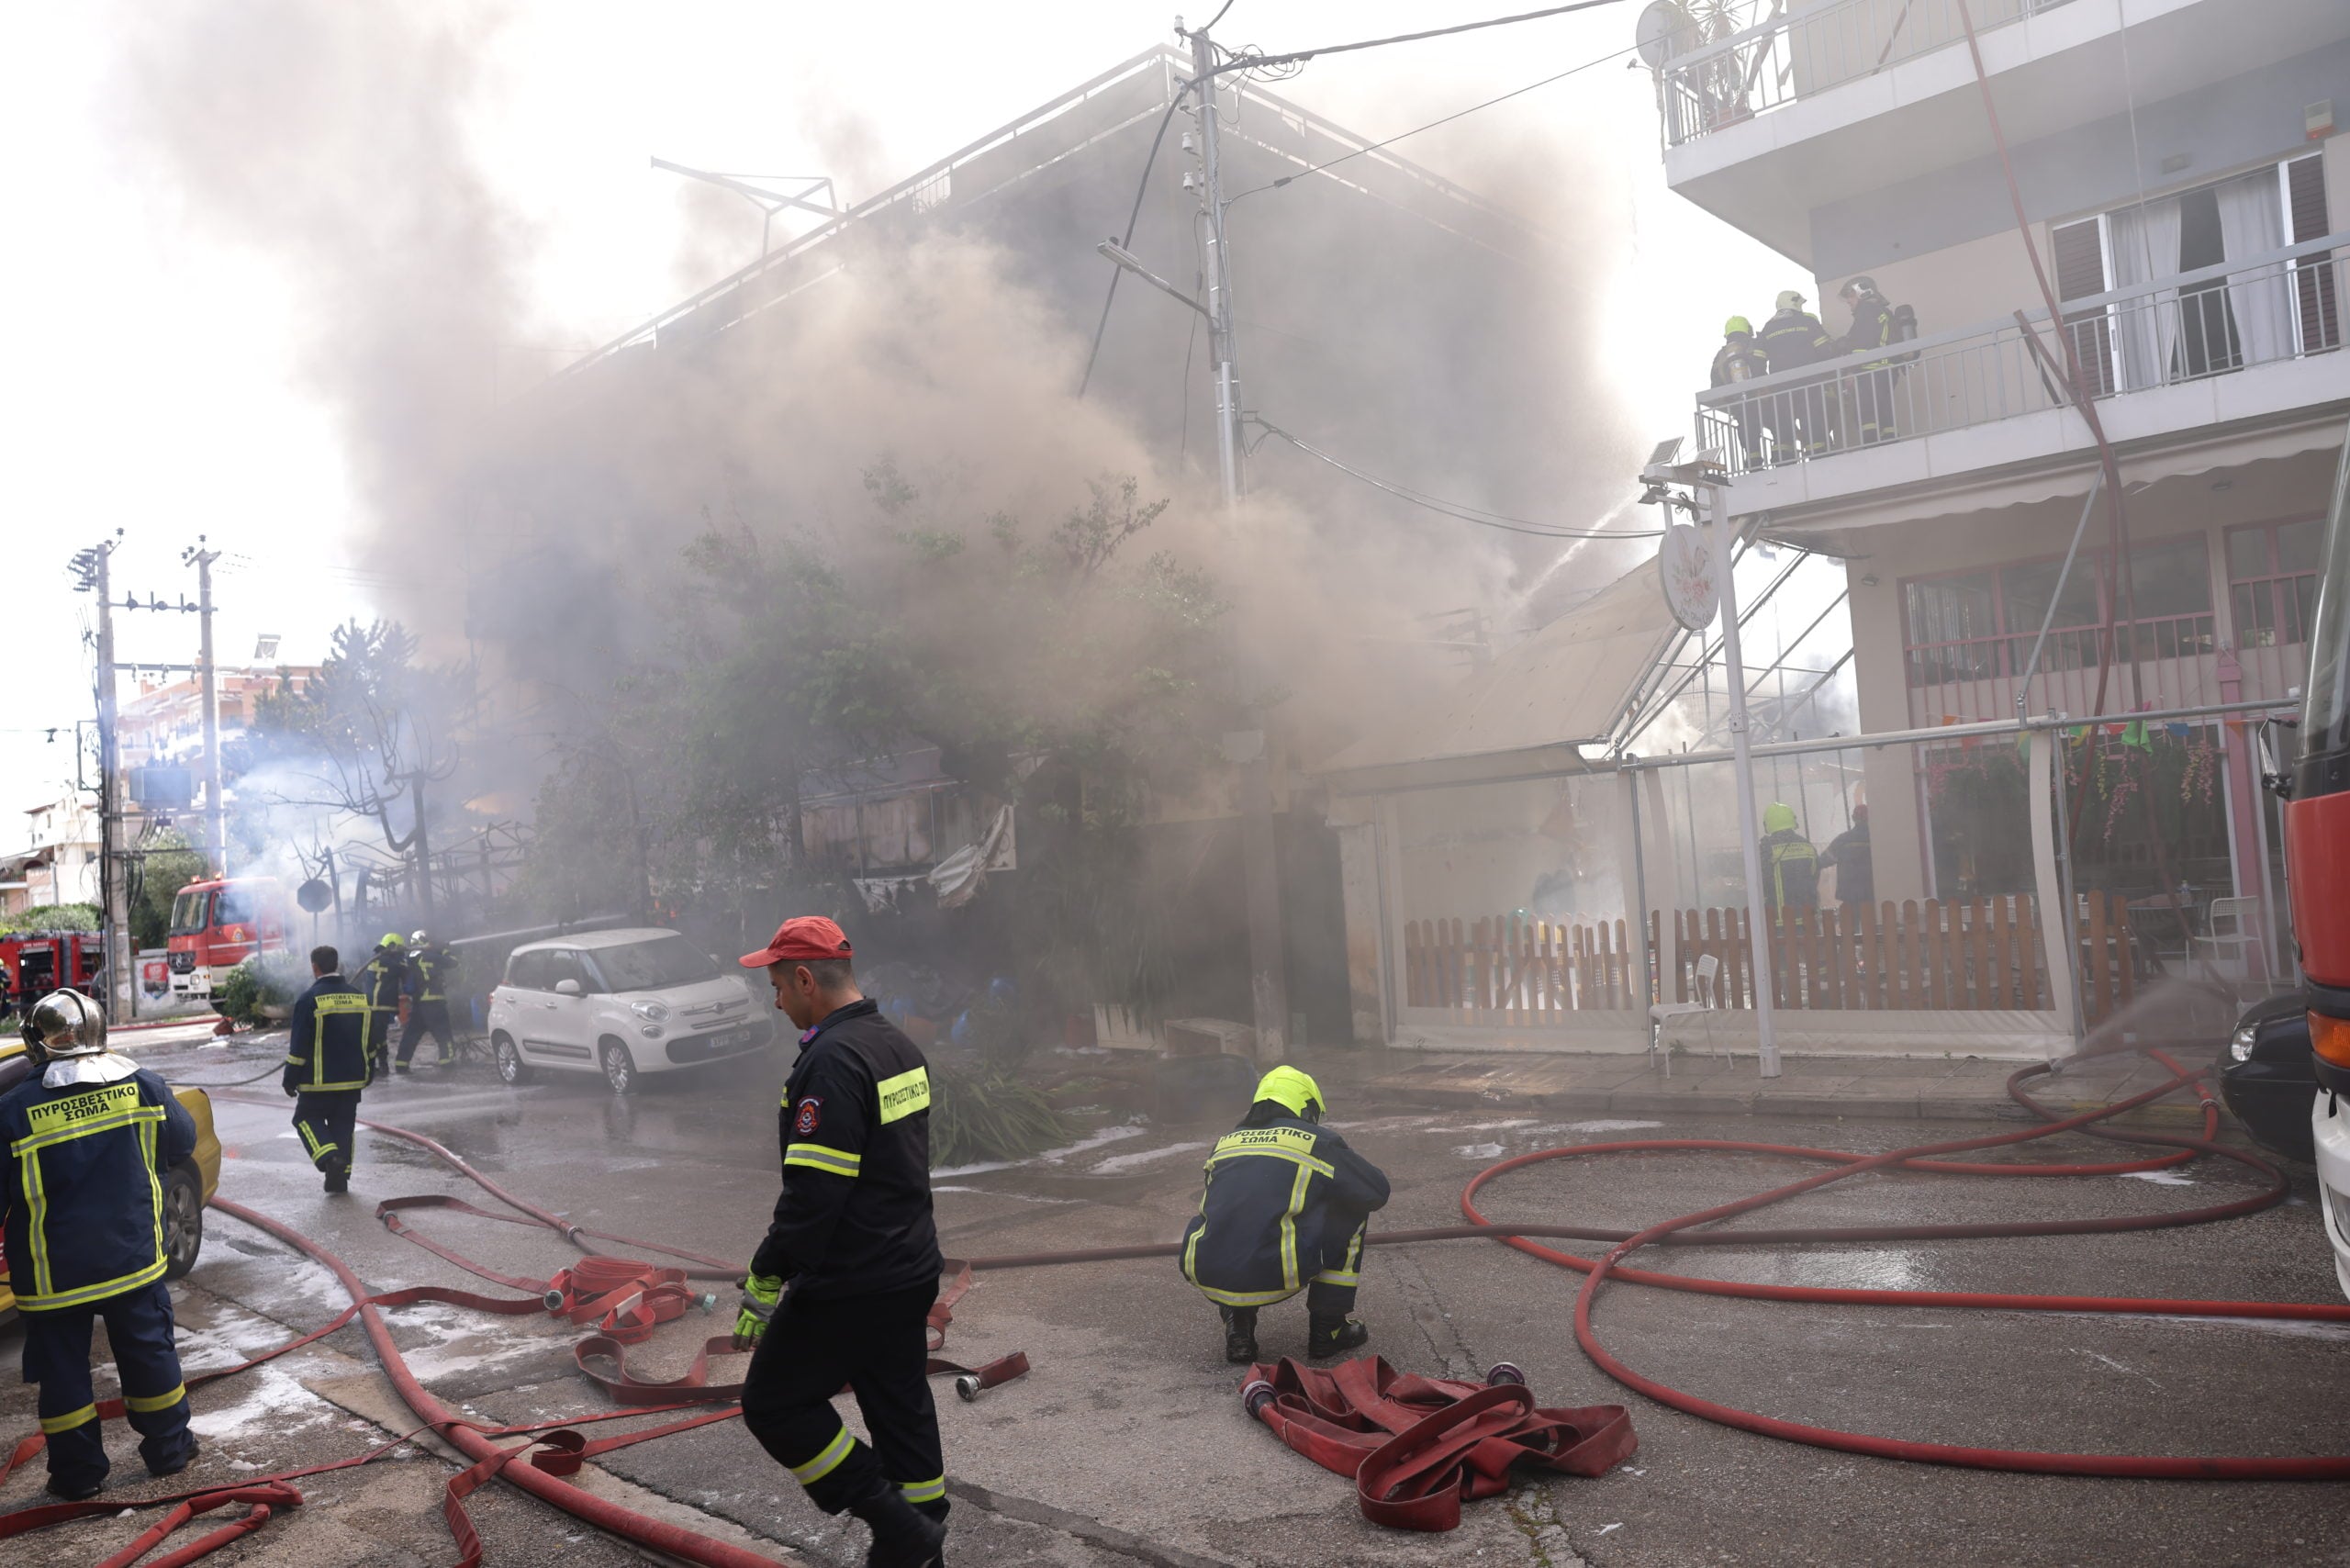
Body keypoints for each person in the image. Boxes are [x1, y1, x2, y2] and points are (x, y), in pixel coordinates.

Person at [732, 916, 948, 1568]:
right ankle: (921, 1543)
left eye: (776, 986)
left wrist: (766, 1274)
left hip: (852, 1281)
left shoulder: (832, 1061)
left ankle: (897, 1525)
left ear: (806, 979)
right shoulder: (897, 1047)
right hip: (909, 1268)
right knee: (900, 1409)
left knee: (773, 1402)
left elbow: (814, 1199)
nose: (774, 1002)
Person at [0, 991, 200, 1500]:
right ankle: (171, 1451)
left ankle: (78, 1475)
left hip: (53, 1276)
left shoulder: (14, 1109)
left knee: (63, 1376)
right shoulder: (144, 1085)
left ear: (36, 1045)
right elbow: (180, 1143)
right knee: (150, 1356)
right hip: (133, 1259)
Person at [1181, 1065, 1391, 1365]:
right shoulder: (1316, 1141)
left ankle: (1238, 1327)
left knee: (1237, 1218)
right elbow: (1375, 1191)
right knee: (1352, 1207)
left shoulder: (1225, 1142)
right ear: (1306, 1107)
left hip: (1207, 1272)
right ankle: (1328, 1330)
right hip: (1276, 1272)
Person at [283, 945, 375, 1193]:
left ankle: (329, 1159)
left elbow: (299, 1047)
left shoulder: (308, 1000)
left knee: (304, 1118)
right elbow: (372, 1040)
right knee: (343, 1126)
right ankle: (339, 1179)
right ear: (337, 965)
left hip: (318, 1081)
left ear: (315, 967)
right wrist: (370, 1070)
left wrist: (290, 1079)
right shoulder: (359, 997)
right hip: (353, 1080)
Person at [1758, 289, 1839, 459]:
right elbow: (1825, 351)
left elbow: (1757, 360)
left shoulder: (1768, 328)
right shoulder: (1807, 322)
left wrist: (1764, 382)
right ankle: (1818, 454)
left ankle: (1783, 458)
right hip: (1809, 383)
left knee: (1783, 422)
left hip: (1780, 387)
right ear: (1794, 303)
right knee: (1811, 419)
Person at [1838, 276, 1901, 446]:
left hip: (1869, 371)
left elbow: (1861, 343)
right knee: (1883, 409)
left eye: (1851, 296)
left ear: (1862, 292)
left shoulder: (1866, 310)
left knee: (1866, 412)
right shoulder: (1881, 311)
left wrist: (1851, 370)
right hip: (1886, 370)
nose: (1848, 302)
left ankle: (1871, 444)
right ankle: (1889, 441)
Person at [395, 929, 460, 1072]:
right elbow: (454, 962)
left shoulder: (409, 960)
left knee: (410, 1035)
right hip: (435, 1003)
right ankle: (447, 1063)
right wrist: (443, 950)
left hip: (418, 1005)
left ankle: (401, 1064)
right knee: (444, 1035)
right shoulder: (432, 956)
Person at [1710, 316, 1771, 466]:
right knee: (1777, 422)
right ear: (1747, 330)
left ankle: (1753, 461)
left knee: (1746, 427)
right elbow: (1760, 368)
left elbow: (1715, 384)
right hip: (1763, 398)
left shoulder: (1721, 355)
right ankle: (1782, 455)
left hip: (1739, 405)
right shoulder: (1754, 345)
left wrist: (1729, 399)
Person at [355, 932, 407, 1079]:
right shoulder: (388, 962)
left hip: (372, 1005)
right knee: (377, 1037)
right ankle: (379, 1066)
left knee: (377, 1037)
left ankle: (378, 1066)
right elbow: (404, 968)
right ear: (391, 946)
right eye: (399, 948)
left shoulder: (375, 959)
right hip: (379, 1005)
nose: (401, 952)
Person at [1760, 802, 1821, 921]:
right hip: (1807, 917)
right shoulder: (1806, 845)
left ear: (1768, 823)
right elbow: (1815, 874)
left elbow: (1762, 881)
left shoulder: (1767, 848)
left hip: (1779, 919)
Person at [1819, 804, 1874, 924]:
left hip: (1849, 893)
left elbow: (1824, 860)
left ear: (1853, 818)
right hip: (1871, 891)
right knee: (1871, 928)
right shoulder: (1876, 838)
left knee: (1850, 930)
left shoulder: (1843, 839)